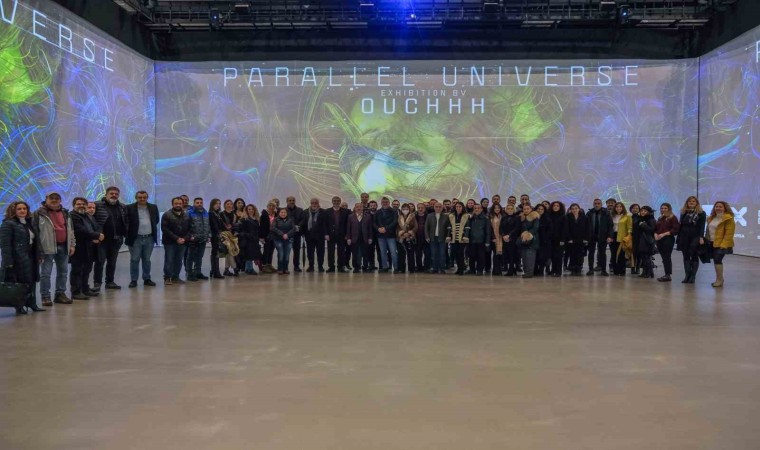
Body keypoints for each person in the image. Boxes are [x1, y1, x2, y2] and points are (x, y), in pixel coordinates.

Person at [1, 201, 45, 314]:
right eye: (19, 209)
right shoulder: (7, 224)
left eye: (24, 208)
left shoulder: (30, 222)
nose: (22, 211)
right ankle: (19, 305)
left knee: (31, 280)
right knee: (20, 282)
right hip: (17, 258)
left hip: (31, 257)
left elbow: (36, 241)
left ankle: (32, 304)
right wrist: (8, 262)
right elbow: (5, 245)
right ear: (13, 210)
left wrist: (39, 254)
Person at [32, 192, 75, 306]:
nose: (54, 200)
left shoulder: (66, 213)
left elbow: (70, 230)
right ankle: (45, 296)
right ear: (46, 199)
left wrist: (72, 244)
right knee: (45, 274)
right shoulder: (38, 213)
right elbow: (35, 232)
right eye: (51, 198)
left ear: (60, 200)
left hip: (64, 246)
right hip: (47, 248)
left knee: (63, 272)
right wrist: (38, 250)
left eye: (57, 198)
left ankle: (60, 294)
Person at [93, 186, 127, 290]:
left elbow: (125, 221)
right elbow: (91, 220)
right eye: (111, 193)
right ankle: (97, 283)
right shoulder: (97, 205)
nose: (114, 195)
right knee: (100, 262)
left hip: (116, 239)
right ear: (106, 194)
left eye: (116, 194)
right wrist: (95, 234)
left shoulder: (122, 206)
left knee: (112, 262)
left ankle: (110, 282)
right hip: (102, 240)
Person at [70, 197, 103, 300]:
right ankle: (76, 292)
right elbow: (80, 231)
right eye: (78, 204)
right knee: (77, 271)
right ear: (74, 205)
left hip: (89, 247)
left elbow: (96, 227)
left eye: (83, 204)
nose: (81, 206)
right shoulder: (72, 216)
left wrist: (97, 236)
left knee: (87, 270)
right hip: (78, 248)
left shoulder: (86, 216)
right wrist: (96, 235)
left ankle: (85, 289)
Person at [125, 191, 159, 288]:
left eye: (144, 197)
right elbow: (126, 221)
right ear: (136, 198)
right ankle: (134, 280)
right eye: (140, 197)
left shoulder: (153, 207)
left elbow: (156, 220)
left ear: (147, 198)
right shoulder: (129, 207)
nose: (142, 199)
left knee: (147, 260)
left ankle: (147, 279)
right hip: (135, 238)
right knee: (134, 260)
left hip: (149, 238)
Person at [676, 196, 706, 284]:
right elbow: (681, 225)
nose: (691, 202)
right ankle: (687, 275)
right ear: (687, 203)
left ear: (696, 203)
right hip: (684, 236)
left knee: (694, 255)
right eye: (689, 201)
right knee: (685, 255)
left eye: (693, 201)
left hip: (695, 236)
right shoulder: (683, 212)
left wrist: (701, 237)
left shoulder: (701, 213)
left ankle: (693, 276)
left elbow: (702, 226)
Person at [161, 197, 190, 285]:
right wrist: (176, 238)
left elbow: (190, 229)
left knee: (179, 260)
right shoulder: (166, 215)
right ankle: (167, 278)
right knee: (169, 260)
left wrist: (184, 238)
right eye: (176, 203)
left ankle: (175, 277)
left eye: (180, 203)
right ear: (172, 204)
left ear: (182, 204)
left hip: (183, 242)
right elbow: (165, 229)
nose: (178, 205)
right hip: (170, 242)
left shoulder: (187, 215)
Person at [705, 201, 735, 288]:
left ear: (725, 208)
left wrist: (723, 244)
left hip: (721, 244)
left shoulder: (728, 218)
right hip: (711, 242)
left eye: (720, 206)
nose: (718, 208)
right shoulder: (711, 218)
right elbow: (708, 231)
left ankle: (719, 280)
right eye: (716, 206)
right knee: (716, 261)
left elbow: (729, 233)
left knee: (717, 260)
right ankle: (720, 279)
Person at [586, 198, 614, 276]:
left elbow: (610, 226)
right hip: (591, 236)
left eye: (598, 203)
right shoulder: (589, 213)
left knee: (602, 253)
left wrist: (610, 236)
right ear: (593, 204)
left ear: (601, 205)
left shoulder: (606, 213)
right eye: (595, 203)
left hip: (602, 236)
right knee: (591, 253)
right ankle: (590, 270)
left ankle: (603, 270)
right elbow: (585, 225)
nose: (597, 205)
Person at [186, 198, 210, 281]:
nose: (199, 204)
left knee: (199, 257)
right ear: (194, 203)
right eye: (197, 203)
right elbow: (186, 226)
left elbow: (208, 225)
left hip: (203, 239)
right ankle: (189, 274)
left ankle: (198, 272)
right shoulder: (189, 213)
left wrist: (208, 235)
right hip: (193, 239)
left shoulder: (205, 212)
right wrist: (190, 236)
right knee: (190, 257)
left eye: (201, 202)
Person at [301, 198, 328, 272]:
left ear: (318, 203)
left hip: (320, 235)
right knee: (310, 252)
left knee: (320, 252)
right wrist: (302, 233)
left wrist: (326, 234)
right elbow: (303, 223)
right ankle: (311, 266)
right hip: (309, 235)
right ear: (310, 203)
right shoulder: (305, 212)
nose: (314, 204)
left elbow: (325, 224)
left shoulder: (323, 212)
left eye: (316, 203)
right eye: (312, 203)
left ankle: (320, 266)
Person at [654, 203, 680, 282]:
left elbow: (675, 229)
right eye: (662, 208)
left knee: (667, 257)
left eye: (665, 208)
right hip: (659, 240)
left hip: (668, 239)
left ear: (669, 209)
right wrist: (655, 234)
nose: (663, 210)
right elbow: (656, 228)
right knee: (664, 258)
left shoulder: (673, 217)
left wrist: (663, 234)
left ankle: (668, 275)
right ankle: (666, 274)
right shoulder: (660, 218)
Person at [346, 203, 374, 273]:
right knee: (355, 254)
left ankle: (365, 267)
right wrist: (348, 238)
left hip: (365, 238)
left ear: (363, 208)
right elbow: (348, 228)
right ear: (355, 208)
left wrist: (370, 238)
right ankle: (356, 267)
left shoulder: (368, 216)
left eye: (360, 207)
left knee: (365, 253)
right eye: (357, 207)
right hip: (354, 238)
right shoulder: (350, 216)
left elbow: (370, 228)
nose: (359, 208)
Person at [374, 197, 399, 273]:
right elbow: (374, 222)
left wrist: (386, 228)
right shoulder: (377, 212)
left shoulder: (394, 211)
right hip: (380, 235)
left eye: (386, 202)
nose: (385, 203)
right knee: (383, 252)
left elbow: (395, 222)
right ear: (381, 203)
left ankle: (396, 267)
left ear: (389, 203)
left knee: (393, 252)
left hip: (391, 235)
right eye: (383, 202)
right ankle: (385, 267)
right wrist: (378, 229)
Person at [326, 196, 350, 273]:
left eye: (337, 200)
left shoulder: (345, 211)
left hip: (342, 235)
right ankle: (331, 267)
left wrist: (347, 234)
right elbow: (325, 224)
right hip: (330, 235)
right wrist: (326, 234)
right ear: (332, 201)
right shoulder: (327, 211)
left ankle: (340, 267)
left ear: (340, 202)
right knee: (330, 252)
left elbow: (348, 224)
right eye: (334, 200)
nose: (336, 202)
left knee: (341, 252)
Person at [466, 204, 491, 275]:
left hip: (481, 241)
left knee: (481, 256)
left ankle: (480, 270)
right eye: (475, 208)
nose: (477, 209)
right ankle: (472, 270)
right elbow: (468, 229)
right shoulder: (471, 218)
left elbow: (488, 231)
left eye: (478, 208)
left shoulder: (485, 219)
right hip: (472, 241)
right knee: (471, 256)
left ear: (481, 209)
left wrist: (487, 241)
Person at [564, 203, 588, 276]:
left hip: (581, 239)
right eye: (573, 209)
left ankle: (579, 267)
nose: (574, 210)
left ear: (579, 209)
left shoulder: (584, 217)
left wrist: (586, 238)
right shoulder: (567, 217)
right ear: (570, 210)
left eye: (576, 208)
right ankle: (573, 268)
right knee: (572, 254)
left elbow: (588, 228)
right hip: (571, 239)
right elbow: (566, 228)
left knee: (580, 254)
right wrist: (569, 238)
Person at [425, 202, 449, 274]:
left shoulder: (446, 216)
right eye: (436, 206)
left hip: (442, 238)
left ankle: (442, 268)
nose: (438, 208)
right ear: (434, 207)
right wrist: (427, 236)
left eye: (439, 207)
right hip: (432, 238)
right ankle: (435, 268)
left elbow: (448, 228)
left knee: (442, 254)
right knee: (434, 254)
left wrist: (448, 236)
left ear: (442, 208)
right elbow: (426, 227)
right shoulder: (429, 216)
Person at [270, 208, 296, 275]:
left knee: (287, 255)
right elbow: (273, 228)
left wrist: (287, 235)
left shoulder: (290, 219)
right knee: (281, 254)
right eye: (282, 212)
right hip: (278, 239)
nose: (283, 214)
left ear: (287, 213)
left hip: (288, 239)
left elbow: (294, 228)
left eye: (284, 212)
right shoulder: (276, 219)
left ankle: (286, 269)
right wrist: (282, 234)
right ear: (279, 213)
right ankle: (280, 269)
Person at [446, 202, 470, 275]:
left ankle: (461, 270)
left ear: (462, 207)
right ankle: (458, 269)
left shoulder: (466, 216)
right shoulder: (451, 216)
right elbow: (449, 227)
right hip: (454, 238)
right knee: (456, 254)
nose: (458, 208)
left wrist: (465, 236)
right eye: (457, 206)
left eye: (460, 206)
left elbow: (467, 227)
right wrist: (448, 236)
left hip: (462, 238)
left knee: (460, 254)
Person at [238, 204, 262, 275]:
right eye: (249, 209)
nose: (251, 210)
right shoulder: (244, 219)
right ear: (246, 210)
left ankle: (247, 268)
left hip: (255, 239)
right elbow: (241, 230)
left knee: (252, 254)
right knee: (249, 254)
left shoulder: (256, 219)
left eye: (252, 209)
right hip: (248, 239)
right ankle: (250, 269)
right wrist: (247, 235)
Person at [611, 202, 633, 276]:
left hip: (622, 237)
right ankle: (615, 271)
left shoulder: (627, 216)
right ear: (615, 208)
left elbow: (630, 227)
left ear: (623, 208)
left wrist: (628, 236)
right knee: (613, 254)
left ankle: (622, 271)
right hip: (613, 236)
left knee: (621, 254)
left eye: (620, 207)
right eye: (617, 207)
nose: (618, 208)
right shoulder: (612, 216)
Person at [518, 204, 540, 279]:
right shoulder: (522, 218)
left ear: (531, 209)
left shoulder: (535, 217)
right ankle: (526, 272)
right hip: (523, 240)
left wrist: (527, 234)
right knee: (524, 257)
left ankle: (529, 273)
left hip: (532, 239)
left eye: (528, 209)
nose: (526, 210)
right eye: (524, 209)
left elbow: (535, 228)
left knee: (530, 257)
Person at [635, 206, 657, 278]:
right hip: (641, 240)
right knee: (643, 257)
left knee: (647, 257)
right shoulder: (640, 219)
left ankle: (649, 272)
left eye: (645, 211)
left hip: (647, 240)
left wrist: (643, 225)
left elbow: (652, 230)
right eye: (642, 211)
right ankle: (644, 272)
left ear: (648, 212)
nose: (643, 212)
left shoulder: (651, 219)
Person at [546, 201, 566, 277]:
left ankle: (558, 271)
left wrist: (563, 240)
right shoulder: (549, 216)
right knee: (552, 256)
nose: (555, 207)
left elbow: (564, 229)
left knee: (559, 256)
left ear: (560, 207)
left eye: (557, 206)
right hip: (551, 239)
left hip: (559, 239)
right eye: (554, 205)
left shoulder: (563, 217)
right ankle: (553, 270)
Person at [500, 204, 521, 276]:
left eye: (511, 208)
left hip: (513, 239)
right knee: (506, 255)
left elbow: (516, 228)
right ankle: (508, 269)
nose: (510, 210)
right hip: (504, 239)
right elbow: (501, 228)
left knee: (512, 255)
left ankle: (511, 270)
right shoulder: (503, 218)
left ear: (514, 209)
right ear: (506, 210)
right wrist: (503, 235)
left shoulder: (517, 218)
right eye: (508, 208)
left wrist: (509, 235)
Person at [285, 196, 305, 272]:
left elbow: (303, 220)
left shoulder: (300, 210)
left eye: (293, 200)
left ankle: (296, 266)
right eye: (290, 200)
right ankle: (285, 266)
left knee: (297, 251)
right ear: (287, 201)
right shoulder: (283, 210)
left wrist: (298, 226)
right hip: (287, 234)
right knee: (286, 251)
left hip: (297, 234)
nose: (292, 202)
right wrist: (292, 227)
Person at [396, 204, 417, 273]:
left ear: (409, 209)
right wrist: (401, 233)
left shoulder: (412, 216)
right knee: (401, 254)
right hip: (401, 238)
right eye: (403, 209)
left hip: (410, 237)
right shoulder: (399, 217)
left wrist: (409, 233)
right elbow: (397, 228)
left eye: (406, 209)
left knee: (410, 254)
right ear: (401, 210)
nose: (405, 210)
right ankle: (401, 269)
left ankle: (411, 269)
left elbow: (415, 227)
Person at [220, 200, 239, 276]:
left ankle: (226, 270)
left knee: (229, 252)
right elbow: (220, 224)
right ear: (225, 205)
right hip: (224, 235)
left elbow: (236, 225)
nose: (229, 205)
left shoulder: (234, 215)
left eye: (231, 204)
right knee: (230, 252)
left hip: (232, 235)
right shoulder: (221, 214)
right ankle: (235, 268)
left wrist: (235, 230)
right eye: (228, 204)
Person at [208, 199, 225, 279]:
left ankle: (214, 271)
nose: (218, 205)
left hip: (217, 235)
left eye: (219, 203)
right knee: (215, 253)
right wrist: (219, 233)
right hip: (215, 236)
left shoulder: (217, 214)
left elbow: (221, 225)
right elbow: (214, 226)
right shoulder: (211, 213)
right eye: (216, 203)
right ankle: (216, 272)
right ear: (212, 204)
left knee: (215, 252)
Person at [259, 201, 277, 273]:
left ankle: (269, 264)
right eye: (270, 205)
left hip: (274, 235)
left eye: (273, 206)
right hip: (266, 235)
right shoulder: (264, 215)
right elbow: (261, 227)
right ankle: (264, 266)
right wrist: (261, 237)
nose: (271, 207)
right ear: (267, 206)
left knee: (271, 250)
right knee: (266, 251)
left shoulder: (276, 214)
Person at [534, 204, 551, 276]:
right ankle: (535, 270)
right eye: (538, 209)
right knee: (535, 256)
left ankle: (541, 270)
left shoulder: (547, 219)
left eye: (542, 209)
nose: (540, 210)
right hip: (534, 240)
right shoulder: (533, 218)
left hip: (544, 241)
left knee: (542, 257)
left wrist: (546, 239)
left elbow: (549, 230)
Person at [489, 203, 505, 276]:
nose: (497, 209)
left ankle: (499, 270)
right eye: (495, 208)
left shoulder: (503, 216)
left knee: (500, 255)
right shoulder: (490, 217)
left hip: (501, 238)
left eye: (498, 208)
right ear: (493, 209)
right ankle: (495, 270)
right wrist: (493, 237)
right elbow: (490, 228)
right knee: (495, 254)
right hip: (493, 238)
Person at [414, 203, 429, 272]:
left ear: (425, 209)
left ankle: (426, 267)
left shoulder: (428, 216)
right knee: (418, 254)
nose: (420, 209)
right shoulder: (414, 217)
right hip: (417, 238)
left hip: (426, 238)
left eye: (422, 208)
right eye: (419, 208)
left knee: (427, 254)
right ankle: (419, 267)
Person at [629, 204, 641, 274]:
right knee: (632, 254)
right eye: (633, 208)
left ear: (639, 210)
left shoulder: (641, 217)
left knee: (639, 254)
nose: (635, 209)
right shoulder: (629, 217)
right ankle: (632, 268)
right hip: (631, 237)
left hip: (639, 237)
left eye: (637, 208)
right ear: (631, 209)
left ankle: (638, 268)